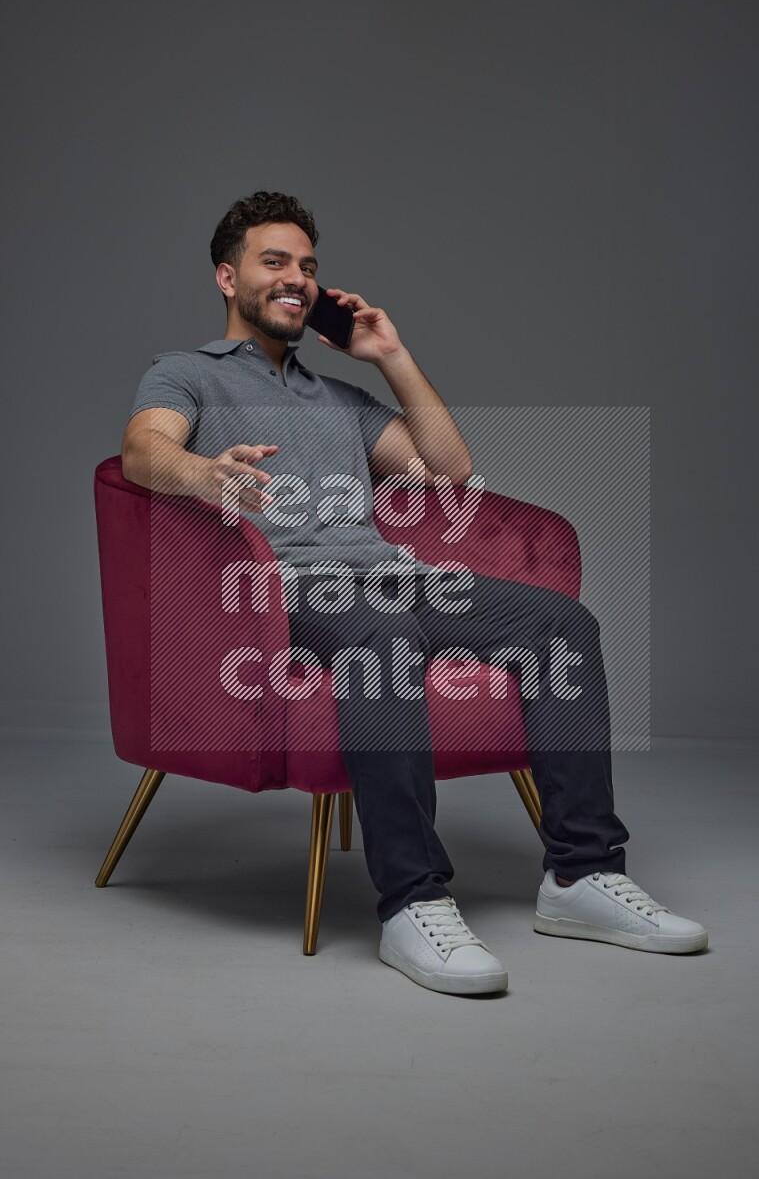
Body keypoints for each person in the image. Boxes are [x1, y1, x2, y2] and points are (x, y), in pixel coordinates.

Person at [122, 190, 708, 996]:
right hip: (286, 590)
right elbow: (142, 454)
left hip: (394, 579)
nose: (296, 278)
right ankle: (414, 900)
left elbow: (449, 469)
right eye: (274, 261)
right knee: (382, 637)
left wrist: (388, 355)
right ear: (228, 276)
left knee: (562, 626)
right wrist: (206, 474)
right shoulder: (185, 372)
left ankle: (580, 876)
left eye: (308, 266)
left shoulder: (339, 399)